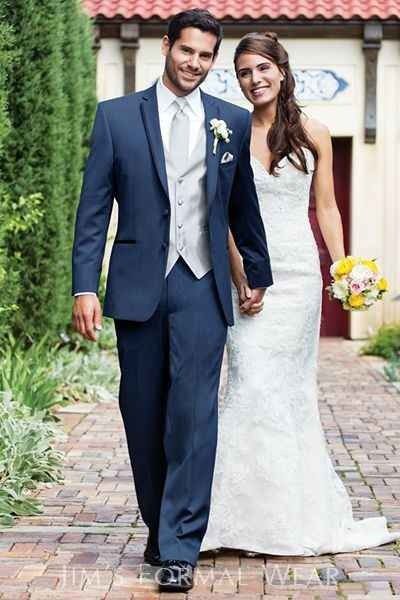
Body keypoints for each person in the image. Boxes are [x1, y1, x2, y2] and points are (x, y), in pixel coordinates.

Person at [71, 11, 273, 592]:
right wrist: (87, 284)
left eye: (207, 57)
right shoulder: (116, 118)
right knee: (142, 413)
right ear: (167, 46)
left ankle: (180, 546)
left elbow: (242, 207)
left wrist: (254, 272)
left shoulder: (230, 121)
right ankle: (160, 532)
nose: (196, 64)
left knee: (192, 416)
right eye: (187, 51)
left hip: (201, 285)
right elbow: (93, 211)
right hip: (139, 284)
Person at [201, 31, 399, 555]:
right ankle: (235, 520)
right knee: (248, 383)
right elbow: (220, 213)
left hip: (299, 277)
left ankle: (291, 516)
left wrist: (342, 267)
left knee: (288, 392)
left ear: (282, 71)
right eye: (243, 72)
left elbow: (327, 207)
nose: (254, 79)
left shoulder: (315, 131)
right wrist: (241, 270)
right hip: (248, 271)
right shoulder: (231, 134)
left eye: (262, 68)